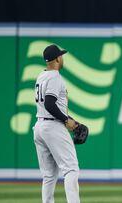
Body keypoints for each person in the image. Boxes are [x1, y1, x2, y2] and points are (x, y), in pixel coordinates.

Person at [33, 44, 80, 203]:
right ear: (58, 58)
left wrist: (72, 121)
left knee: (49, 175)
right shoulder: (55, 77)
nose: (62, 57)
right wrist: (66, 120)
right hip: (52, 126)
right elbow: (50, 104)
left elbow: (52, 106)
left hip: (40, 125)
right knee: (71, 169)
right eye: (61, 55)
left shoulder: (42, 76)